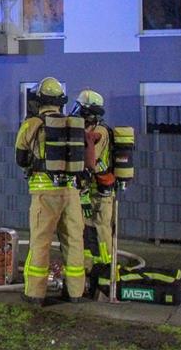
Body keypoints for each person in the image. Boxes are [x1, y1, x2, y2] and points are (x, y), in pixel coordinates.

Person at [14, 76, 85, 305]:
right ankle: (75, 292)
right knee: (74, 241)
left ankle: (35, 293)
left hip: (44, 193)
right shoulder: (71, 124)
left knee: (40, 242)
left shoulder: (32, 124)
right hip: (71, 193)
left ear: (39, 99)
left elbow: (20, 158)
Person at [70, 89, 115, 272]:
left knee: (101, 230)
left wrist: (85, 193)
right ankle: (88, 270)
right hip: (87, 192)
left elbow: (90, 164)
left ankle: (105, 270)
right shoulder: (85, 130)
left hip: (100, 192)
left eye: (81, 109)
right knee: (86, 233)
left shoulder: (100, 132)